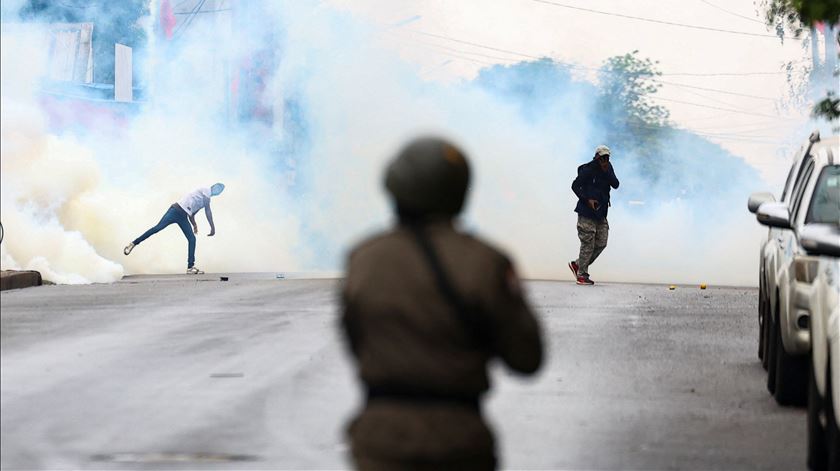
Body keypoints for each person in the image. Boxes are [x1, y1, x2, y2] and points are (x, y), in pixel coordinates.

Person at [340, 137, 543, 470]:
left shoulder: (364, 258)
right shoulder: (485, 261)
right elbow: (526, 358)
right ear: (459, 192)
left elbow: (355, 339)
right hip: (459, 440)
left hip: (381, 440)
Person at [123, 183, 225, 274]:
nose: (218, 190)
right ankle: (133, 243)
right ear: (213, 186)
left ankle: (190, 267)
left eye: (220, 190)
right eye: (218, 187)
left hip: (183, 217)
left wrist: (194, 225)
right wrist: (212, 228)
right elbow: (208, 211)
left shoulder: (204, 201)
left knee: (192, 239)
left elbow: (192, 214)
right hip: (175, 211)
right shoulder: (206, 190)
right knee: (157, 228)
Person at [568, 145, 619, 285]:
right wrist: (587, 199)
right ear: (596, 157)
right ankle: (582, 275)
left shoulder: (608, 168)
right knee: (588, 243)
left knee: (602, 242)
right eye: (602, 157)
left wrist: (607, 170)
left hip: (601, 213)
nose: (605, 160)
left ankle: (578, 265)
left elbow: (616, 184)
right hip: (586, 212)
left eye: (607, 157)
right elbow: (575, 185)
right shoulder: (588, 170)